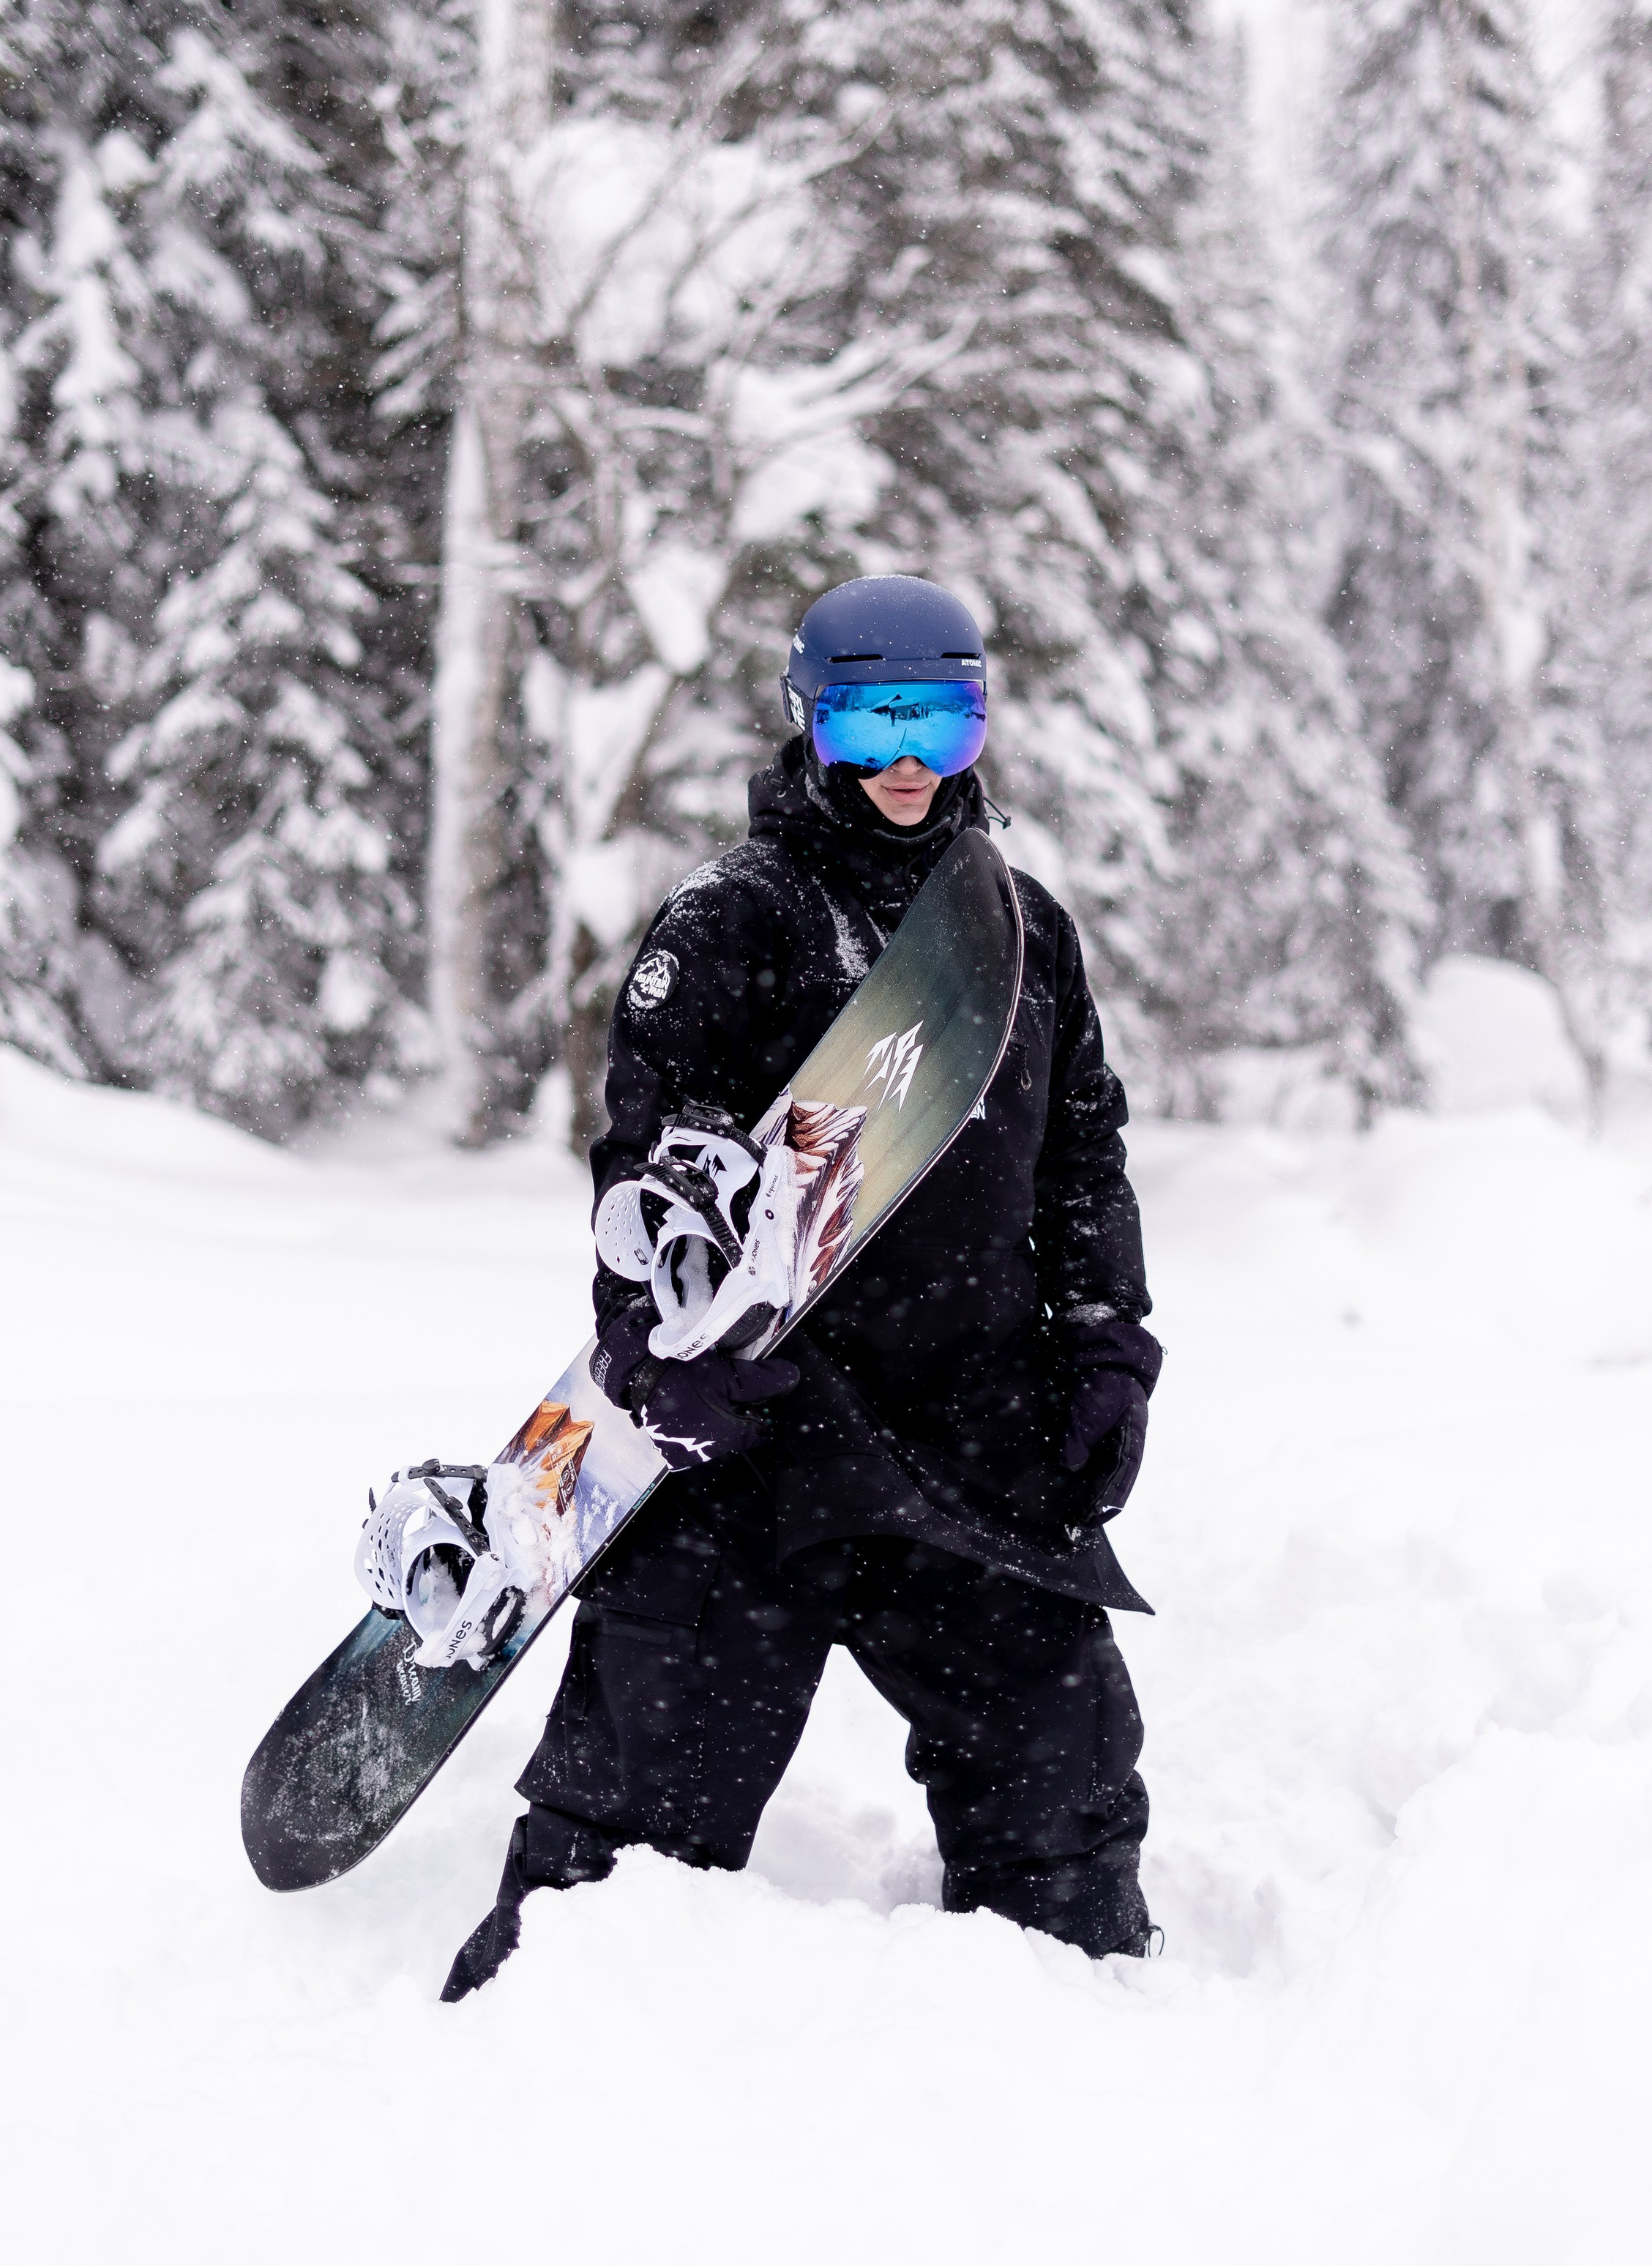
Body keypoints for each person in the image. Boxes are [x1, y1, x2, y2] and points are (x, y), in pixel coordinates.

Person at [441, 575, 1162, 2000]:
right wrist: (658, 1352)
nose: (906, 757)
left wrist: (1103, 1343)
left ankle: (1071, 2114)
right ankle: (502, 2116)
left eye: (940, 720)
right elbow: (644, 1171)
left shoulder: (1024, 939)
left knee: (1063, 1828)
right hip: (756, 1459)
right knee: (613, 1883)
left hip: (969, 1449)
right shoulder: (731, 922)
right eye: (872, 716)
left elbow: (1082, 1158)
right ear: (806, 717)